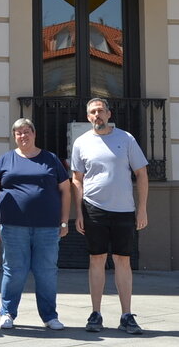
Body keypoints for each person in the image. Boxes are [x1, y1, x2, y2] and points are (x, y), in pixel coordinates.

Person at [71, 97, 150, 335]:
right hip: (94, 209)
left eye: (100, 111)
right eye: (93, 112)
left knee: (122, 260)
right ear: (88, 117)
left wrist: (142, 209)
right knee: (96, 259)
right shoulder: (81, 142)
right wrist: (79, 212)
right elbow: (77, 179)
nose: (97, 115)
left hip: (124, 210)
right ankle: (95, 313)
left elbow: (141, 174)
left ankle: (126, 315)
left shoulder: (126, 139)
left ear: (109, 114)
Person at [0, 118, 71, 331]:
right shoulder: (5, 160)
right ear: (14, 137)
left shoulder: (50, 159)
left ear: (34, 134)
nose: (23, 136)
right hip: (13, 226)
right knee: (14, 271)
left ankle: (50, 316)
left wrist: (64, 221)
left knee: (47, 272)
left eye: (27, 131)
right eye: (18, 133)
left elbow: (65, 190)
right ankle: (7, 313)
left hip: (48, 227)